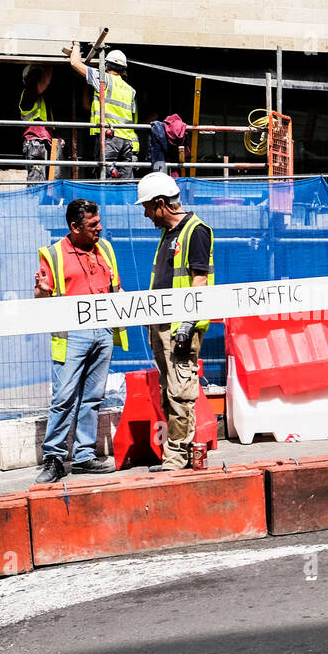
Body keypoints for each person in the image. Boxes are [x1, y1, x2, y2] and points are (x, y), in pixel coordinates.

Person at [34, 199, 129, 483]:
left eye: (98, 222)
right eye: (92, 225)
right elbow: (41, 299)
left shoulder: (106, 250)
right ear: (74, 227)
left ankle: (85, 456)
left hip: (102, 332)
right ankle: (53, 457)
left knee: (92, 397)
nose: (100, 228)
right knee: (64, 397)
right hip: (71, 336)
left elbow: (116, 287)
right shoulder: (53, 255)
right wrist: (40, 292)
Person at [137, 172, 214, 471]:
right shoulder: (168, 234)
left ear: (160, 204)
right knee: (169, 392)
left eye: (146, 206)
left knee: (181, 393)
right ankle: (174, 454)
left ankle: (177, 458)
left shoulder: (195, 230)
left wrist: (187, 323)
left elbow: (200, 279)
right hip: (162, 325)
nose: (145, 213)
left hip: (179, 328)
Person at [68, 43, 138, 178]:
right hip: (127, 140)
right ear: (123, 69)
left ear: (105, 65)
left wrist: (76, 45)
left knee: (105, 177)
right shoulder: (130, 90)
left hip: (110, 138)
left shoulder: (103, 79)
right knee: (125, 182)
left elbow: (75, 63)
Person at [20, 64, 61, 183]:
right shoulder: (28, 93)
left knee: (46, 181)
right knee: (36, 180)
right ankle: (35, 201)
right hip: (35, 143)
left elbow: (51, 126)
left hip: (44, 143)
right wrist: (50, 62)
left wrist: (57, 137)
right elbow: (45, 82)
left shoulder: (44, 101)